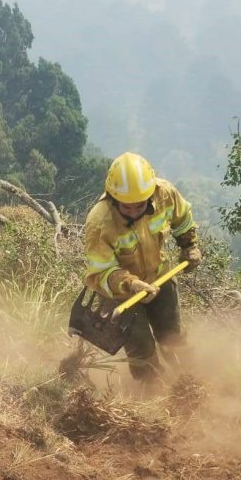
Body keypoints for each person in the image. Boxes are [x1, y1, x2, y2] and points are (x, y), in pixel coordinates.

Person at [82, 152, 202, 381]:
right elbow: (101, 273)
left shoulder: (164, 194)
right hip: (120, 296)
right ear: (113, 198)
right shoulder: (99, 223)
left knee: (173, 339)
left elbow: (182, 218)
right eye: (126, 208)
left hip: (160, 278)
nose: (134, 212)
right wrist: (131, 283)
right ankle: (151, 399)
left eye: (139, 206)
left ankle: (190, 383)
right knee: (142, 352)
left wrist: (189, 246)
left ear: (150, 195)